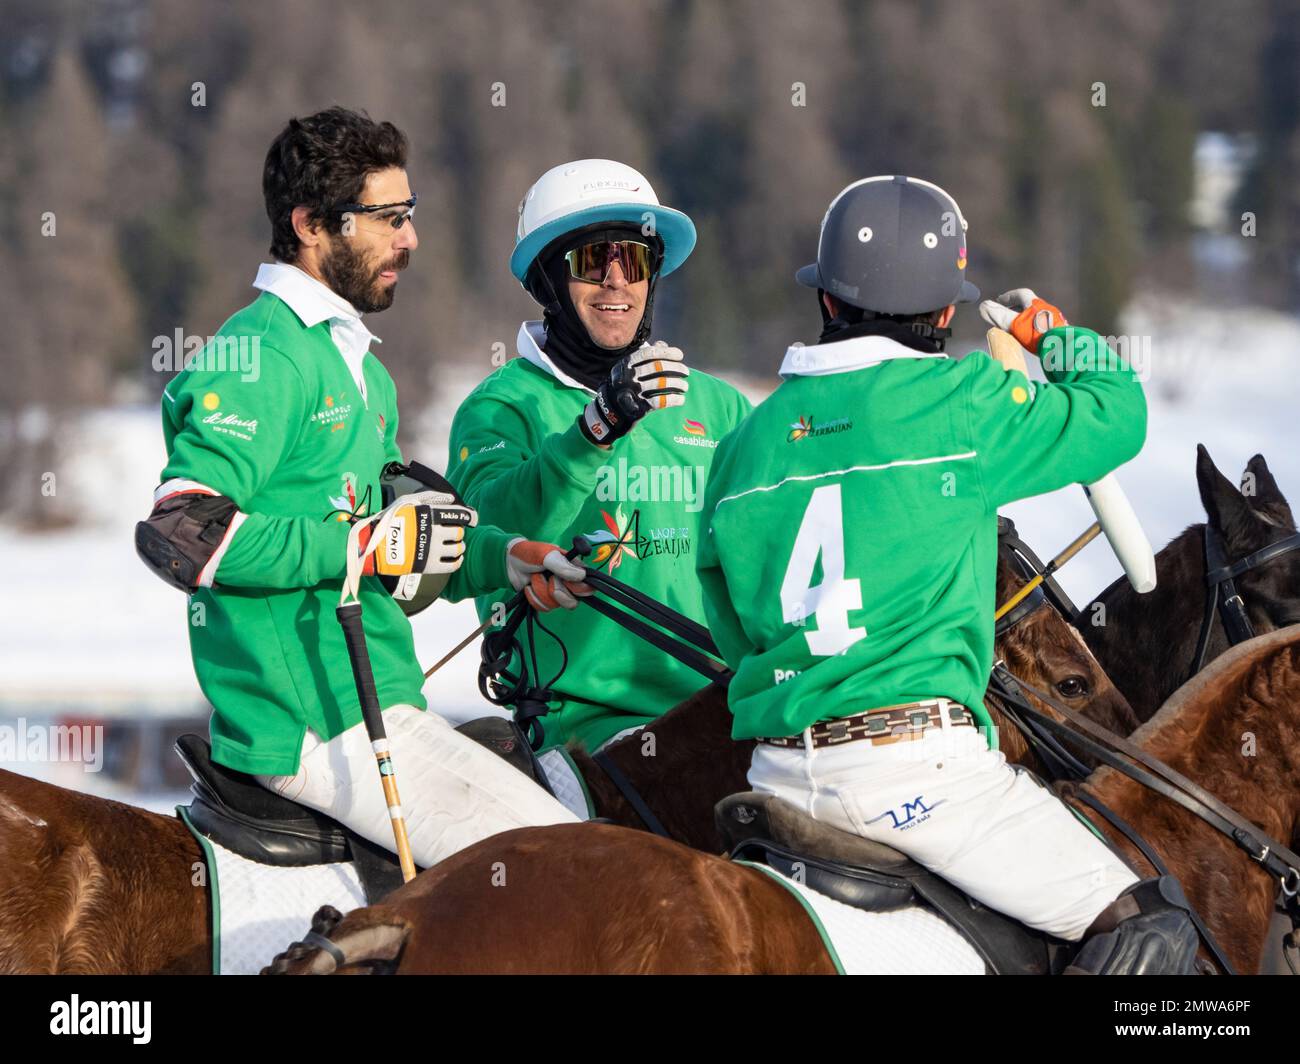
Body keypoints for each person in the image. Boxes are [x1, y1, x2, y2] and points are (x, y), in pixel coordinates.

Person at [696, 175, 1199, 974]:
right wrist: (1052, 334)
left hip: (776, 780)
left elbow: (727, 615)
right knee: (1151, 925)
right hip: (917, 778)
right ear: (943, 314)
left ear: (827, 300)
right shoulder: (960, 400)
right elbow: (1116, 413)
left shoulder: (743, 444)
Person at [135, 107, 586, 868]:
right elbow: (182, 532)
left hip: (379, 702)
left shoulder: (363, 371)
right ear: (311, 225)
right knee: (579, 875)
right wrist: (362, 544)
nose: (409, 240)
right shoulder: (261, 357)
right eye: (387, 218)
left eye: (409, 215)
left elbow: (398, 555)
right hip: (313, 723)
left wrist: (507, 561)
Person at [447, 160, 752, 753]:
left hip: (728, 714)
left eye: (633, 260)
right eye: (592, 261)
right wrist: (595, 429)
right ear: (546, 282)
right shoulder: (499, 408)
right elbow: (484, 537)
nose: (616, 282)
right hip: (580, 735)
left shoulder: (721, 407)